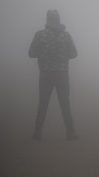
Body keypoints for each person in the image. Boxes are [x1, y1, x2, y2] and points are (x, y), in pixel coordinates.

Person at [28, 9, 78, 140]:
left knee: (43, 103)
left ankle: (37, 133)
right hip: (62, 74)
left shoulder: (40, 35)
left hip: (45, 75)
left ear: (47, 19)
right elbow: (74, 54)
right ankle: (71, 133)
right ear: (59, 19)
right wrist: (62, 54)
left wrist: (44, 53)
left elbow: (31, 54)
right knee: (65, 103)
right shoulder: (66, 35)